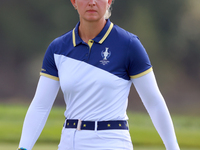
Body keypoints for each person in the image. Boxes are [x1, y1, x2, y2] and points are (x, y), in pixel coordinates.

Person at [18, 0, 180, 150]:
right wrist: (23, 148)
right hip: (69, 141)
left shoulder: (129, 44)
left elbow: (154, 102)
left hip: (112, 141)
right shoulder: (58, 48)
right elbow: (41, 105)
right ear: (74, 2)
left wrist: (173, 148)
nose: (92, 2)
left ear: (109, 1)